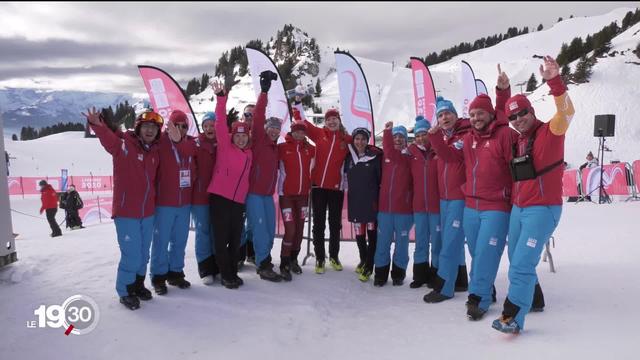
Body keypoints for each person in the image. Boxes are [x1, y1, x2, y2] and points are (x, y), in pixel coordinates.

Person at [493, 56, 575, 334]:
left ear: (531, 111)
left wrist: (554, 81)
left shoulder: (551, 132)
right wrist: (502, 92)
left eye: (522, 113)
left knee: (520, 265)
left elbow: (567, 113)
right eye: (514, 116)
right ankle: (534, 300)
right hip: (519, 209)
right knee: (517, 260)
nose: (518, 119)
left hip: (542, 210)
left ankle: (512, 317)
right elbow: (501, 119)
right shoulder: (517, 138)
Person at [84, 107, 180, 310]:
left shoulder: (155, 151)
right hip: (126, 213)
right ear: (138, 127)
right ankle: (125, 290)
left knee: (144, 254)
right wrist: (97, 125)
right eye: (146, 126)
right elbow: (108, 140)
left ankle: (137, 285)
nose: (149, 131)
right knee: (132, 255)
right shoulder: (124, 146)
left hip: (147, 213)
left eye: (154, 128)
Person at [294, 102, 352, 274]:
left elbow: (361, 143)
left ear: (339, 121)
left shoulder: (346, 139)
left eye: (335, 119)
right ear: (325, 122)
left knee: (335, 225)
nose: (332, 122)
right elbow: (301, 121)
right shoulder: (319, 134)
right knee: (318, 224)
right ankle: (320, 257)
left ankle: (334, 256)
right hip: (318, 186)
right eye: (329, 120)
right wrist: (297, 103)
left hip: (336, 188)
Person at [423, 97, 470, 303]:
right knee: (452, 242)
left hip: (459, 197)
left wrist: (433, 139)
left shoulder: (463, 136)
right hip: (445, 199)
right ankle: (460, 281)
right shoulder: (444, 139)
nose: (444, 117)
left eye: (447, 113)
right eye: (440, 115)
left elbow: (451, 157)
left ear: (455, 115)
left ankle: (445, 287)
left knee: (450, 243)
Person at [207, 79, 254, 289]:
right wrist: (221, 99)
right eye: (238, 136)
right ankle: (226, 274)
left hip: (238, 202)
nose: (242, 139)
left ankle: (233, 271)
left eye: (245, 136)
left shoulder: (250, 154)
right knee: (221, 238)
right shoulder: (225, 147)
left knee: (236, 239)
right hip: (220, 199)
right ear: (232, 136)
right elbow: (219, 123)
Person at [149, 109, 197, 295]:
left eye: (184, 126)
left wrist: (179, 141)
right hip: (164, 202)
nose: (181, 129)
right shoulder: (160, 142)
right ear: (170, 125)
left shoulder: (190, 143)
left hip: (184, 203)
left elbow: (190, 153)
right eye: (177, 125)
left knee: (180, 240)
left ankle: (175, 272)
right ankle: (158, 276)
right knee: (161, 241)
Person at [245, 70, 283, 282]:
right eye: (271, 127)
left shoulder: (276, 148)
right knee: (260, 230)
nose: (274, 131)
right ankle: (263, 264)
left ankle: (263, 257)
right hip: (254, 194)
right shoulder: (258, 139)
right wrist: (264, 92)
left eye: (277, 129)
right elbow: (259, 115)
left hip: (268, 196)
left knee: (269, 231)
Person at [374, 122, 413, 287]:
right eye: (395, 136)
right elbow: (386, 148)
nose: (397, 139)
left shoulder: (409, 158)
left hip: (404, 211)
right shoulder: (385, 156)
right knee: (382, 242)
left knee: (402, 245)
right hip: (384, 210)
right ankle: (381, 274)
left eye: (401, 137)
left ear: (406, 141)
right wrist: (387, 132)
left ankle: (398, 273)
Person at [277, 118, 315, 281]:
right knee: (290, 229)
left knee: (299, 230)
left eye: (302, 131)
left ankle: (293, 259)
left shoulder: (310, 149)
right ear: (291, 132)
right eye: (296, 131)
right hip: (286, 195)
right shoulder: (282, 148)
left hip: (303, 196)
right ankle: (284, 262)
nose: (299, 134)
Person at [344, 127, 382, 282]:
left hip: (371, 202)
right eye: (357, 139)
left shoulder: (375, 157)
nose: (360, 142)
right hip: (355, 201)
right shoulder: (349, 157)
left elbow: (380, 179)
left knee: (372, 236)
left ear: (367, 141)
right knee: (359, 235)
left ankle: (369, 265)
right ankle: (363, 259)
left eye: (363, 139)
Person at [408, 116, 441, 289]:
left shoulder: (438, 149)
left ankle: (435, 275)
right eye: (418, 135)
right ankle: (420, 275)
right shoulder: (411, 152)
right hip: (419, 206)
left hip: (436, 207)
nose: (421, 138)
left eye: (423, 134)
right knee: (420, 241)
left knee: (437, 242)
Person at [192, 111, 219, 285]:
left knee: (217, 232)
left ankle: (218, 265)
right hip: (199, 196)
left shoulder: (223, 144)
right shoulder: (195, 144)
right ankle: (205, 269)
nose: (209, 128)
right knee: (202, 232)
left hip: (218, 196)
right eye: (206, 125)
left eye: (212, 125)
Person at [238, 103, 257, 268]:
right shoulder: (237, 134)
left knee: (252, 222)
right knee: (239, 221)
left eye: (253, 115)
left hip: (255, 187)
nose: (250, 118)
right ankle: (239, 254)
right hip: (238, 187)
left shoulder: (260, 135)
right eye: (247, 114)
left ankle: (251, 252)